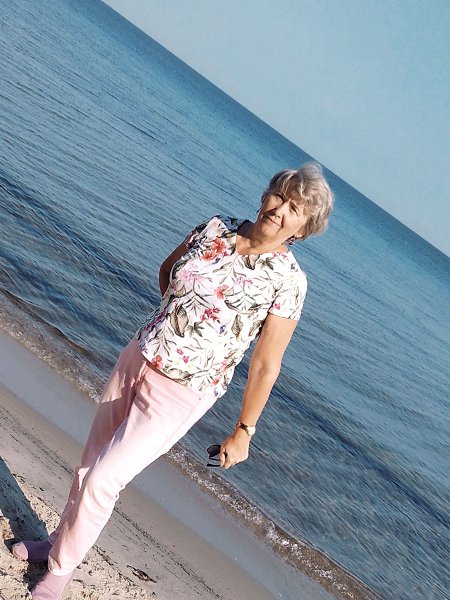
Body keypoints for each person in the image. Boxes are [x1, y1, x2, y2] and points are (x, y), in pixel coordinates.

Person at [11, 162, 334, 599]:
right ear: (265, 195)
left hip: (183, 392)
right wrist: (176, 323)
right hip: (140, 354)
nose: (280, 209)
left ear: (304, 228)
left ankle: (60, 572)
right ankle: (56, 544)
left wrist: (244, 430)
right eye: (279, 196)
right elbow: (168, 271)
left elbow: (265, 363)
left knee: (105, 478)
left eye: (295, 208)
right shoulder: (215, 228)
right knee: (89, 464)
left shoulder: (290, 282)